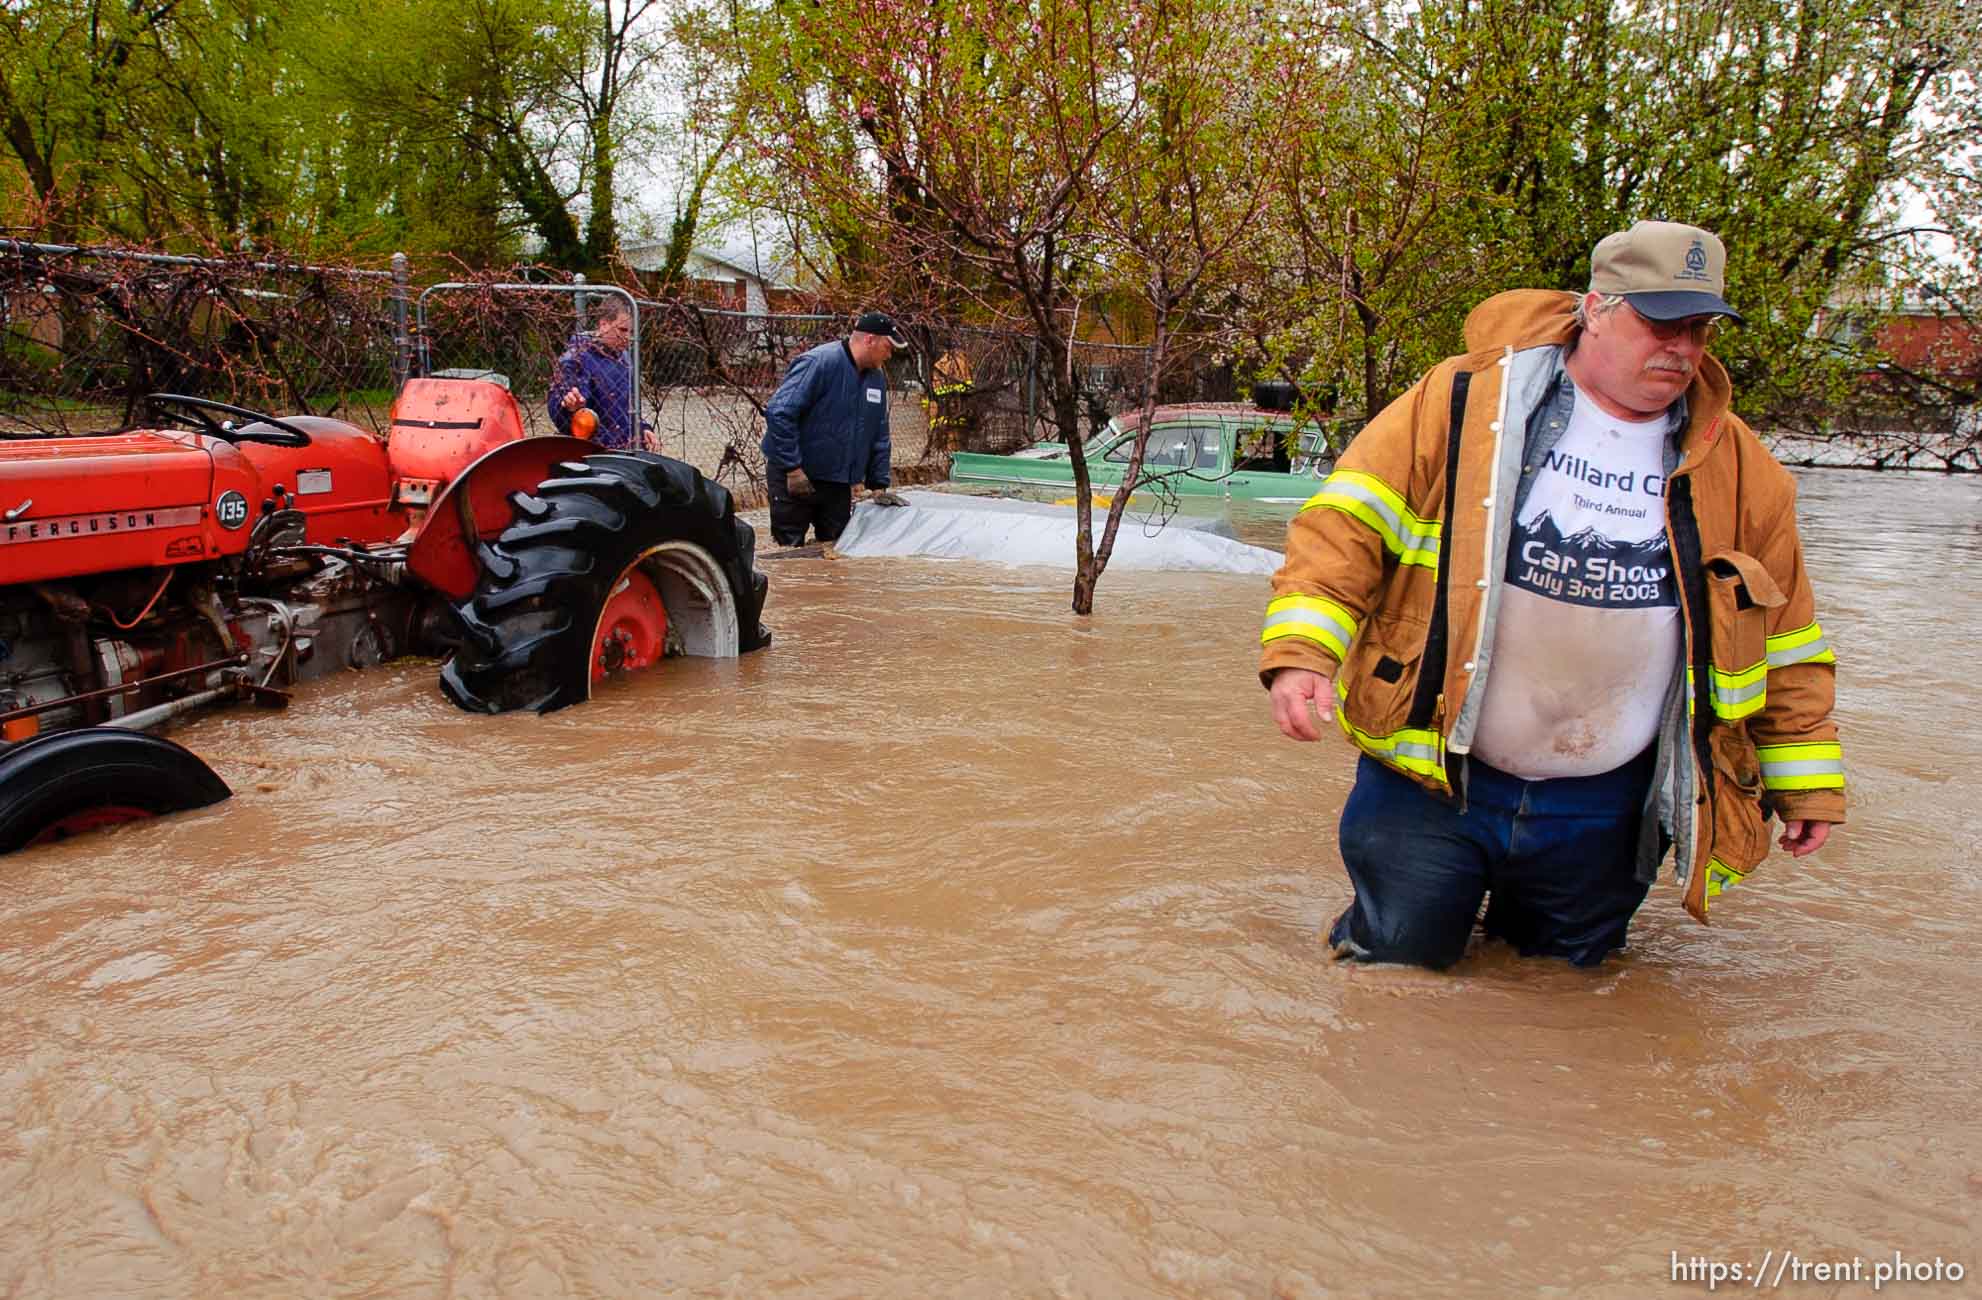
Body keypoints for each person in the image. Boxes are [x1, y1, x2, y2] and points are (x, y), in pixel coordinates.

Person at [1258, 220, 1845, 970]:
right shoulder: (1465, 401)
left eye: (1699, 327)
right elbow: (1345, 528)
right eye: (1661, 322)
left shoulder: (1745, 469)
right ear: (1596, 307)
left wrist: (1805, 782)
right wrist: (1303, 651)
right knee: (1391, 971)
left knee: (1560, 996)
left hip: (1606, 806)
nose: (1683, 348)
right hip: (1434, 776)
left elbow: (1788, 636)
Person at [761, 311, 911, 546]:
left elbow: (879, 431)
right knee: (789, 552)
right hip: (796, 476)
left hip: (837, 482)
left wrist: (878, 485)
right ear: (870, 340)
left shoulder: (876, 379)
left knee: (837, 549)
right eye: (888, 346)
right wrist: (793, 469)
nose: (890, 354)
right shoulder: (819, 363)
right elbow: (780, 412)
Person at [549, 297, 650, 450]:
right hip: (594, 453)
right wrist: (570, 409)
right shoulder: (576, 359)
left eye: (631, 332)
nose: (628, 338)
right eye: (622, 330)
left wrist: (643, 428)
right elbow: (564, 416)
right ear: (603, 324)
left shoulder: (625, 358)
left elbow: (629, 407)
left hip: (626, 450)